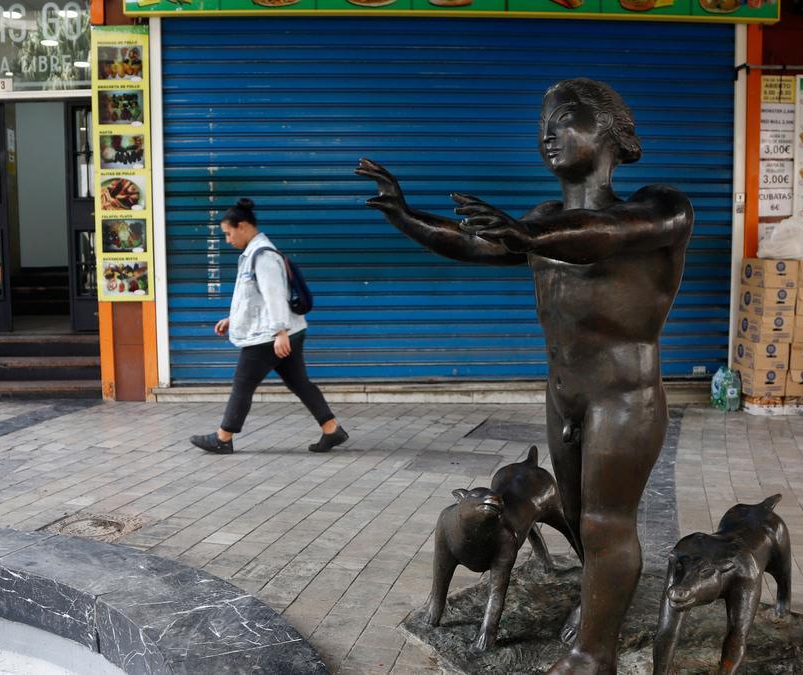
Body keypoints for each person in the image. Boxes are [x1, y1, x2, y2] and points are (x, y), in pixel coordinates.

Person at [357, 78, 693, 674]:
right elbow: (469, 242)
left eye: (567, 118)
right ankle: (595, 611)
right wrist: (406, 215)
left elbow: (605, 236)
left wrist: (525, 234)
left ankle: (596, 655)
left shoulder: (662, 206)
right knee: (581, 521)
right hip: (563, 398)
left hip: (625, 398)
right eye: (543, 122)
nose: (548, 132)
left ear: (613, 131)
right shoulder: (540, 219)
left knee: (605, 521)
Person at [190, 198, 349, 455]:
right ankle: (331, 430)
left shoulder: (262, 256)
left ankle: (223, 437)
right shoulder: (254, 253)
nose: (228, 239)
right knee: (299, 383)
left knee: (243, 382)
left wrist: (279, 332)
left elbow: (274, 295)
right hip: (283, 331)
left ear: (242, 226)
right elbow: (254, 297)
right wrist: (233, 319)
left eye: (229, 233)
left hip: (270, 335)